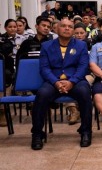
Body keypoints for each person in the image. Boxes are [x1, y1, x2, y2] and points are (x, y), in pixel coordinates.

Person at [31, 18, 93, 150]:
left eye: (70, 27)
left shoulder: (81, 45)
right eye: (63, 26)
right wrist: (55, 82)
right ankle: (37, 133)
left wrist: (72, 82)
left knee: (85, 92)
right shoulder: (46, 46)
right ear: (56, 29)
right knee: (41, 94)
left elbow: (83, 67)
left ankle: (86, 131)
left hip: (75, 80)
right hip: (53, 81)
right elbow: (44, 68)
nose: (67, 28)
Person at [0, 19, 25, 126]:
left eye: (15, 27)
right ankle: (3, 111)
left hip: (21, 66)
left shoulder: (24, 39)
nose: (13, 29)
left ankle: (35, 106)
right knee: (5, 76)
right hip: (8, 67)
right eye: (10, 27)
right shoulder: (1, 40)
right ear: (5, 28)